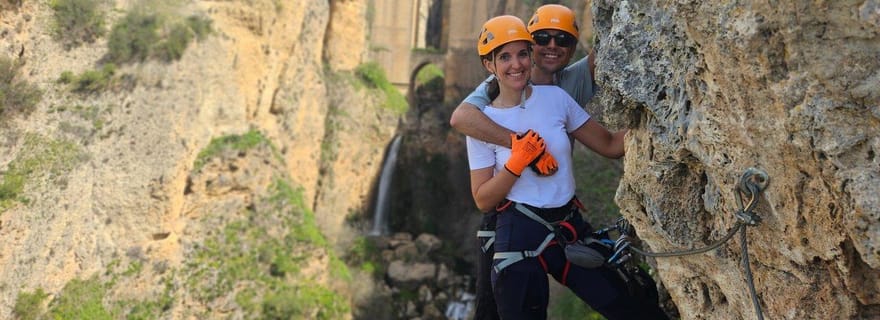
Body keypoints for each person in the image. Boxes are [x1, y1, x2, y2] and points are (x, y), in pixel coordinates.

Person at [465, 15, 668, 320]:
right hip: (519, 233)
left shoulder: (556, 98)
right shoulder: (482, 123)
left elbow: (611, 145)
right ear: (489, 65)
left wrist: (664, 123)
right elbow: (483, 199)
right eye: (504, 57)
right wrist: (517, 161)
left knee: (634, 306)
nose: (516, 64)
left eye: (522, 53)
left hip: (568, 227)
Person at [451, 5, 601, 319]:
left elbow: (614, 53)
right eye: (543, 38)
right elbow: (462, 117)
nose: (552, 46)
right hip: (508, 216)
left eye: (563, 40)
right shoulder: (502, 83)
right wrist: (523, 150)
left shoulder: (568, 85)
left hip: (558, 212)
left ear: (573, 47)